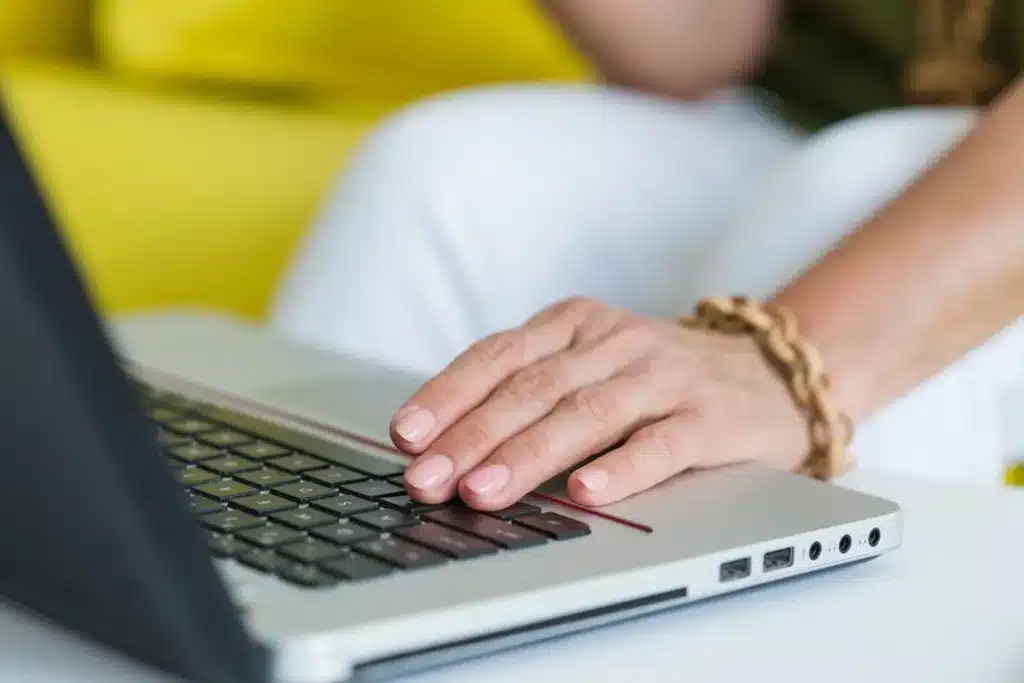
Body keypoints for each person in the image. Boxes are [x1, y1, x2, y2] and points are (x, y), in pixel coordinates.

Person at [270, 0, 1024, 511]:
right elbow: (700, 43)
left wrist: (784, 363)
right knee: (438, 171)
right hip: (805, 122)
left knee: (849, 185)